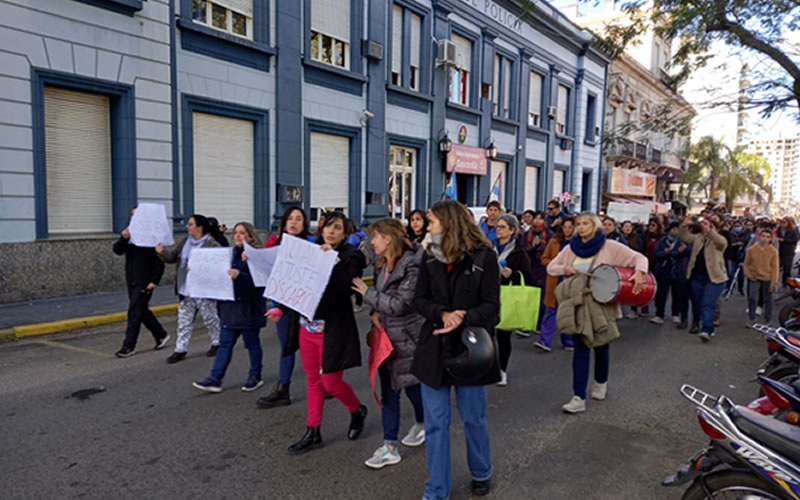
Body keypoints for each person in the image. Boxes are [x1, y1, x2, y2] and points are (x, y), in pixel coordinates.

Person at [411, 199, 500, 499]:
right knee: (436, 423)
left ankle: (481, 471)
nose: (427, 227)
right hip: (433, 348)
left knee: (474, 418)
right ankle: (436, 491)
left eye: (431, 221)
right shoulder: (429, 256)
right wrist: (441, 314)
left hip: (471, 350)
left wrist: (463, 316)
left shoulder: (485, 257)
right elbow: (418, 299)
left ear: (449, 223)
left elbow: (493, 308)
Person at [267, 211, 368, 454]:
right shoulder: (309, 251)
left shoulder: (350, 256)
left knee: (331, 383)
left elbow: (346, 288)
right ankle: (313, 431)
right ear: (321, 229)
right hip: (307, 326)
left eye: (338, 228)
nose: (331, 232)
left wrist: (330, 260)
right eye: (328, 227)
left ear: (345, 234)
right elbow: (296, 284)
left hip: (333, 329)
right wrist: (280, 308)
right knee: (314, 381)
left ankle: (357, 410)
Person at [547, 212, 648, 414]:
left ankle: (601, 382)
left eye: (586, 224)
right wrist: (565, 269)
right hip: (578, 305)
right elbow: (551, 267)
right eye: (578, 224)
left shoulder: (609, 246)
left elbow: (639, 257)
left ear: (595, 226)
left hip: (602, 305)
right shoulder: (571, 248)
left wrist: (639, 272)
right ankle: (578, 397)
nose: (581, 227)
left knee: (601, 346)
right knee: (581, 349)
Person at [350, 219, 426, 470]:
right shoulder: (382, 263)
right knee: (389, 393)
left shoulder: (412, 266)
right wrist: (373, 311)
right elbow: (384, 301)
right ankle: (390, 446)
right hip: (385, 340)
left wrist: (367, 293)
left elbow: (400, 305)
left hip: (406, 339)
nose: (372, 242)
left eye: (375, 237)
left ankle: (424, 423)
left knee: (412, 387)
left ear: (388, 239)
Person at [192, 222, 266, 392]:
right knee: (225, 344)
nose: (238, 236)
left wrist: (241, 275)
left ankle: (255, 376)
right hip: (230, 307)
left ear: (250, 236)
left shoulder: (257, 255)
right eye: (236, 233)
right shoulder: (228, 254)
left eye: (242, 233)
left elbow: (261, 282)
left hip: (249, 307)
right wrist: (196, 269)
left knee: (252, 344)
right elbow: (214, 272)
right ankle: (215, 378)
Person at [258, 207, 310, 409]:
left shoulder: (312, 246)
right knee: (287, 347)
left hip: (306, 305)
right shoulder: (275, 247)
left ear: (304, 224)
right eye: (290, 218)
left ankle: (325, 385)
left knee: (311, 348)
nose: (294, 222)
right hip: (282, 304)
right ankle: (283, 389)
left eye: (298, 219)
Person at [156, 214, 221, 363]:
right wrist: (161, 252)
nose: (187, 226)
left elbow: (218, 264)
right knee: (184, 320)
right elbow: (172, 257)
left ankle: (217, 342)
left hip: (204, 289)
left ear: (200, 227)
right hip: (185, 287)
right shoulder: (185, 242)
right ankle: (180, 349)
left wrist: (199, 267)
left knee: (210, 317)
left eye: (191, 224)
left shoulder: (211, 244)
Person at [112, 208, 170, 358]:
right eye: (132, 215)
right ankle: (161, 334)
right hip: (132, 279)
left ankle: (128, 346)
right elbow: (118, 250)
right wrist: (123, 238)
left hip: (145, 281)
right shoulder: (131, 235)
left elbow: (160, 262)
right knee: (141, 310)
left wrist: (154, 280)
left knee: (134, 312)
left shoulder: (153, 237)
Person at [493, 214, 532, 386]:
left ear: (512, 230)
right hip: (489, 294)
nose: (498, 230)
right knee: (486, 333)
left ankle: (502, 370)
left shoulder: (519, 251)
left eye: (502, 227)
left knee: (503, 334)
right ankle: (488, 366)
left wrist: (513, 274)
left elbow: (527, 275)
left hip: (508, 294)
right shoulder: (491, 247)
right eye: (497, 227)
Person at [679, 217, 728, 341]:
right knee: (699, 304)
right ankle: (707, 326)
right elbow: (684, 237)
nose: (705, 227)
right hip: (697, 277)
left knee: (708, 304)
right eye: (704, 225)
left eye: (709, 225)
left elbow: (722, 243)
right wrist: (684, 225)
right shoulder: (697, 239)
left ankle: (706, 329)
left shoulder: (719, 240)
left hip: (714, 278)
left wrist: (709, 231)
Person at [536, 218, 576, 352]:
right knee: (551, 312)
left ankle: (568, 340)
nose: (567, 230)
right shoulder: (554, 242)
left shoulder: (579, 244)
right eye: (565, 227)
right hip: (555, 280)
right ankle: (545, 341)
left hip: (571, 281)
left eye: (570, 227)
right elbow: (544, 258)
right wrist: (553, 265)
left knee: (568, 312)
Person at [521, 210, 550, 335]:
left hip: (542, 269)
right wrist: (534, 247)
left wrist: (540, 246)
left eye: (541, 218)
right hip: (530, 268)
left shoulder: (549, 235)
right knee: (528, 298)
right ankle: (527, 325)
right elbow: (524, 251)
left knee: (541, 300)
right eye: (536, 218)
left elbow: (549, 253)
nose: (538, 221)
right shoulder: (527, 234)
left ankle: (538, 325)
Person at [744, 229, 779, 327]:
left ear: (771, 239)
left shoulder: (773, 251)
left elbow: (775, 267)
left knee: (768, 299)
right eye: (763, 236)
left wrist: (774, 282)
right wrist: (749, 275)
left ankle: (767, 319)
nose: (765, 239)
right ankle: (752, 318)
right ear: (759, 236)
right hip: (754, 277)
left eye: (768, 237)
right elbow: (746, 264)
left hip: (767, 278)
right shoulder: (751, 249)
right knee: (752, 297)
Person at [652, 222, 681, 325]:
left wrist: (678, 252)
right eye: (673, 229)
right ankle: (659, 314)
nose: (675, 231)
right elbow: (656, 254)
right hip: (664, 270)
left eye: (677, 229)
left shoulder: (682, 241)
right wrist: (665, 252)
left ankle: (675, 314)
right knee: (661, 294)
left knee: (677, 294)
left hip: (677, 271)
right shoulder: (663, 240)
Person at [725, 219, 748, 296]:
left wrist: (741, 244)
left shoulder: (746, 234)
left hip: (742, 256)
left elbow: (746, 243)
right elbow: (729, 243)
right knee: (731, 273)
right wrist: (734, 244)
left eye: (739, 226)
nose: (737, 228)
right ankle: (729, 288)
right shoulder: (730, 233)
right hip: (732, 256)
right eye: (736, 226)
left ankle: (740, 289)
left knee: (741, 275)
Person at [777, 216, 798, 287]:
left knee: (787, 268)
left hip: (789, 251)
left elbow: (795, 239)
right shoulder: (779, 229)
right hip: (780, 250)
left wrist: (784, 240)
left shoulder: (793, 230)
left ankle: (786, 282)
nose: (782, 224)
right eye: (782, 222)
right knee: (779, 266)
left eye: (784, 222)